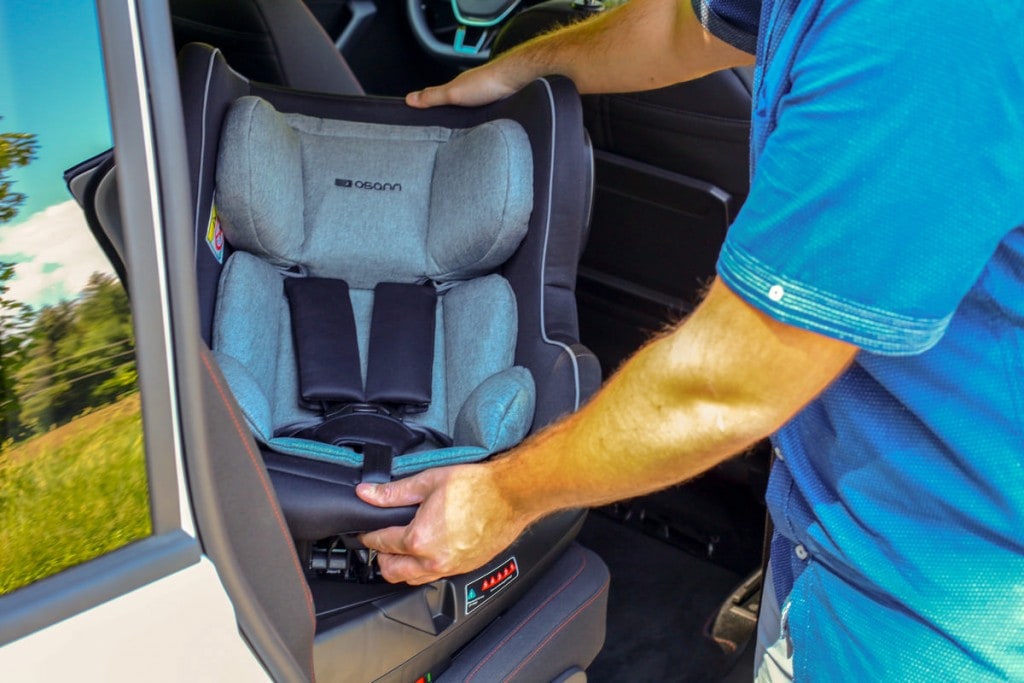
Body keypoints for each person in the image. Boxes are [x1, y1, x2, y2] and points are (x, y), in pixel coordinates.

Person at [357, 0, 1024, 678]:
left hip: (935, 611)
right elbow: (686, 28)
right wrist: (515, 74)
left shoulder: (931, 25)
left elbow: (726, 385)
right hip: (837, 534)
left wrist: (502, 498)